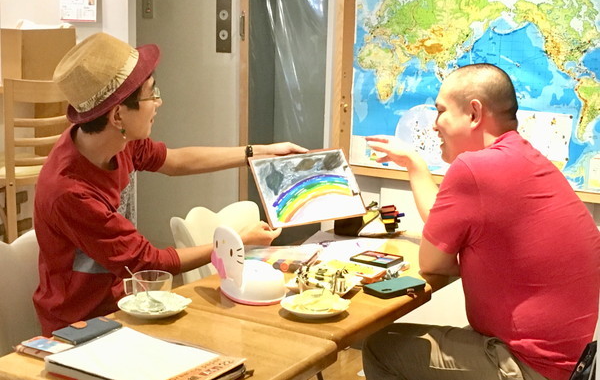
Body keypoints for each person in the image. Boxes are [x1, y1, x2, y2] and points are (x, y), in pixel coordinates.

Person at [33, 32, 307, 336]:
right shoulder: (70, 191)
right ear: (117, 115)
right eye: (151, 94)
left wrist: (257, 153)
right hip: (79, 326)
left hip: (124, 304)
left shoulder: (115, 141)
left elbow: (175, 161)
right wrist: (234, 245)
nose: (159, 102)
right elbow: (148, 261)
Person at [362, 63, 599, 380]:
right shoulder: (525, 159)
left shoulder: (474, 169)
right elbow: (443, 228)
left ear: (474, 113)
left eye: (440, 111)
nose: (434, 125)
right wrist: (413, 164)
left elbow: (434, 263)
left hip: (531, 366)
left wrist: (449, 253)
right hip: (572, 362)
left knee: (380, 347)